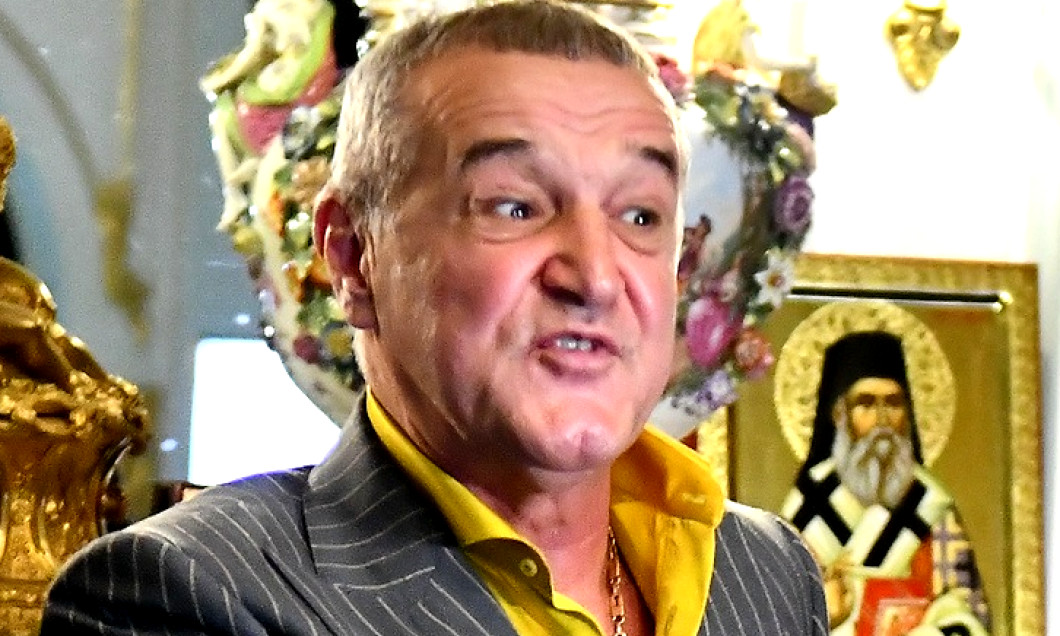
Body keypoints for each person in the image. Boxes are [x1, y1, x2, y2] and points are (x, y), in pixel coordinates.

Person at [41, 2, 827, 634]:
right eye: (515, 206)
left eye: (641, 216)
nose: (594, 276)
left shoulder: (766, 573)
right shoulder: (188, 594)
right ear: (353, 258)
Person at [780, 331, 990, 635]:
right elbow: (775, 615)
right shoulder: (806, 506)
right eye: (866, 404)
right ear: (840, 414)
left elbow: (966, 608)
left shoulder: (931, 505)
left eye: (893, 404)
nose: (881, 420)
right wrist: (824, 617)